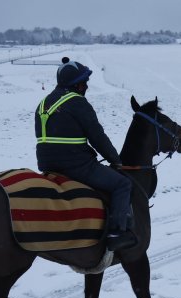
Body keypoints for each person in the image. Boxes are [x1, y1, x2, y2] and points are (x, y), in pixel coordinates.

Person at [34, 57, 136, 251]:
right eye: (84, 82)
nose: (86, 86)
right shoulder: (77, 102)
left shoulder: (43, 103)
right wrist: (117, 161)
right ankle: (116, 233)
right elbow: (97, 137)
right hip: (76, 166)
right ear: (77, 84)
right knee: (122, 184)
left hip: (47, 165)